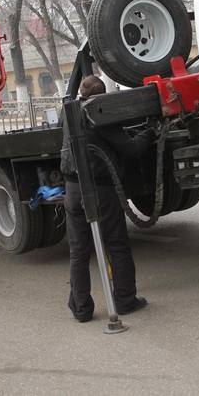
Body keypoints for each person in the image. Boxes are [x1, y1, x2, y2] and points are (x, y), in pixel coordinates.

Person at [61, 75, 151, 322]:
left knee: (79, 251)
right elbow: (131, 149)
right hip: (99, 190)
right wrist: (149, 134)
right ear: (102, 97)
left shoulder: (70, 111)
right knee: (116, 244)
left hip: (72, 190)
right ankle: (125, 300)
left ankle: (81, 308)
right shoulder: (100, 113)